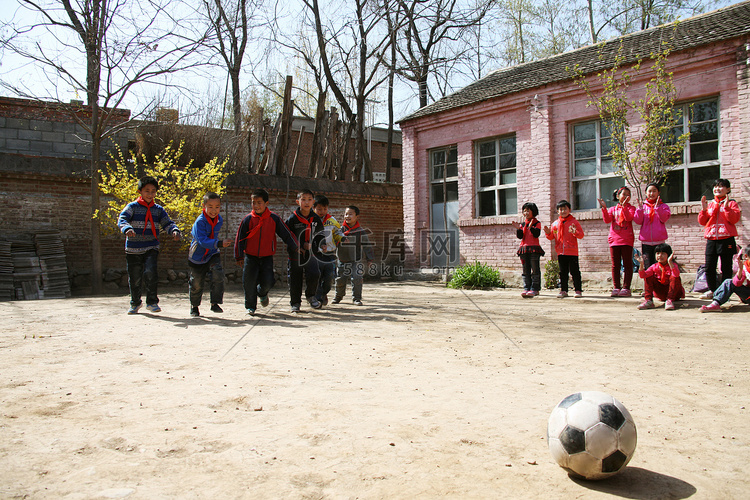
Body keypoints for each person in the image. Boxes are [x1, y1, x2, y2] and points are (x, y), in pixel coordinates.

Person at [118, 176, 181, 314]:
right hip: (133, 248)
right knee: (135, 276)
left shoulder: (158, 209)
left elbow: (167, 223)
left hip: (151, 246)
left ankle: (152, 302)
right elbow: (122, 219)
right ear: (140, 191)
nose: (150, 194)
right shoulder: (132, 207)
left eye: (153, 191)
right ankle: (135, 302)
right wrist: (127, 229)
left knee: (150, 273)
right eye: (147, 191)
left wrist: (174, 231)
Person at [234, 188, 299, 316]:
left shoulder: (273, 218)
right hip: (250, 256)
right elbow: (239, 238)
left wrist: (296, 246)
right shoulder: (248, 219)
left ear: (266, 203)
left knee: (268, 281)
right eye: (253, 203)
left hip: (267, 257)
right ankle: (250, 306)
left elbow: (285, 233)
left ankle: (262, 293)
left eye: (259, 202)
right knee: (249, 281)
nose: (256, 205)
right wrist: (239, 256)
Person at [187, 192, 234, 317]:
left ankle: (215, 303)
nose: (214, 210)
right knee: (197, 282)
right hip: (198, 255)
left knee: (218, 274)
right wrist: (219, 243)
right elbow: (202, 241)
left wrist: (218, 245)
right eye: (210, 207)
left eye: (217, 207)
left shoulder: (219, 220)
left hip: (212, 253)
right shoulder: (200, 222)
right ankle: (195, 306)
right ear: (204, 206)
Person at [697, 178, 741, 300]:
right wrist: (704, 210)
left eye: (721, 186)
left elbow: (734, 220)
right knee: (709, 266)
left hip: (726, 239)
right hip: (711, 239)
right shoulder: (710, 204)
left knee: (726, 267)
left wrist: (726, 208)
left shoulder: (732, 203)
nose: (717, 189)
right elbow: (702, 221)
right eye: (715, 186)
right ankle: (712, 290)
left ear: (728, 189)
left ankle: (724, 291)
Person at [285, 189, 324, 313]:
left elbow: (320, 235)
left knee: (314, 273)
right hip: (295, 255)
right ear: (298, 201)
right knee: (295, 279)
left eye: (309, 199)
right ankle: (295, 303)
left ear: (313, 202)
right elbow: (287, 235)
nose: (306, 202)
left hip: (310, 255)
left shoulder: (316, 219)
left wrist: (319, 244)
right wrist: (299, 245)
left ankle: (310, 296)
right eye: (303, 199)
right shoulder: (292, 219)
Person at [598, 186, 636, 297]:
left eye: (628, 195)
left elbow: (628, 218)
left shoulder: (631, 208)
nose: (626, 197)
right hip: (614, 240)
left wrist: (624, 207)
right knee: (615, 265)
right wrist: (604, 208)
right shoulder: (612, 209)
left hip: (627, 240)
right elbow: (607, 220)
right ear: (618, 196)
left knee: (628, 264)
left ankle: (626, 288)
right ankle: (616, 287)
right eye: (623, 194)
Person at [334, 205, 374, 306]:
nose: (347, 216)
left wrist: (370, 259)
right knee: (340, 280)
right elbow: (333, 242)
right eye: (346, 214)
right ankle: (338, 296)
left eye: (350, 214)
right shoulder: (340, 230)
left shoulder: (360, 231)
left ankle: (356, 298)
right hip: (342, 260)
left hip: (356, 260)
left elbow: (367, 245)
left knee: (357, 278)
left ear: (357, 217)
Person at [543, 200, 584, 298]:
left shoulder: (574, 222)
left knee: (575, 272)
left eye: (565, 209)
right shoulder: (555, 224)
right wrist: (548, 233)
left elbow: (581, 235)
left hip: (572, 251)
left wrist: (575, 232)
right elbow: (551, 237)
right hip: (561, 252)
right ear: (557, 211)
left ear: (569, 210)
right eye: (560, 209)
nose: (563, 211)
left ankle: (578, 290)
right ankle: (564, 290)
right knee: (563, 272)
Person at [312, 195, 343, 307]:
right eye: (319, 209)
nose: (322, 211)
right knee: (317, 277)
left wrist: (342, 238)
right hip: (316, 254)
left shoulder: (332, 220)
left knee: (329, 277)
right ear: (314, 208)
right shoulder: (311, 220)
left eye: (325, 209)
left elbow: (338, 233)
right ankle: (318, 298)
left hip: (330, 254)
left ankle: (324, 293)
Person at [635, 243, 684, 310]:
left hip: (674, 294)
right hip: (660, 294)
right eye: (658, 253)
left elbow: (676, 275)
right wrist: (641, 264)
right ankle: (648, 301)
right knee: (648, 276)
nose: (660, 256)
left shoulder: (673, 265)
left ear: (669, 255)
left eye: (663, 253)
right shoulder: (654, 266)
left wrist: (670, 262)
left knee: (674, 276)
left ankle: (670, 300)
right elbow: (643, 275)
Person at [633, 183, 671, 270]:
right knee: (647, 267)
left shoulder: (664, 206)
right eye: (650, 191)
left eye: (654, 191)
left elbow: (664, 219)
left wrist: (658, 208)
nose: (652, 193)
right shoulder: (643, 207)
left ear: (658, 192)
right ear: (646, 193)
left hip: (659, 243)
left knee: (659, 266)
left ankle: (660, 283)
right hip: (646, 243)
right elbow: (638, 221)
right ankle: (649, 283)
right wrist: (639, 209)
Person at [700, 246, 750, 312]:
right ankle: (715, 303)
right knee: (728, 282)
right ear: (746, 256)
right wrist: (740, 270)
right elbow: (736, 284)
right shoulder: (745, 267)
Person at [511, 202, 544, 297]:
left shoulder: (537, 223)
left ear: (533, 211)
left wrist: (531, 228)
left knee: (535, 269)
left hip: (534, 248)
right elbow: (520, 236)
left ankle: (535, 288)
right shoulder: (523, 224)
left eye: (527, 210)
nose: (525, 213)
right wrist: (518, 229)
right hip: (524, 249)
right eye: (524, 211)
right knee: (525, 270)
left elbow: (536, 234)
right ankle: (527, 288)